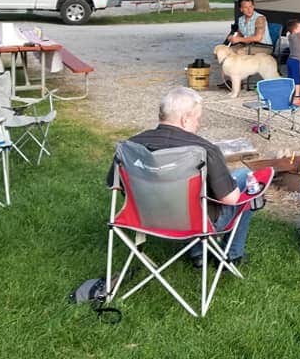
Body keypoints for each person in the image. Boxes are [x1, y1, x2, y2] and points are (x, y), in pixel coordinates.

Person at [107, 87, 257, 266]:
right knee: (244, 177)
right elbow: (231, 199)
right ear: (185, 119)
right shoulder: (203, 151)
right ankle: (232, 256)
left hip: (144, 218)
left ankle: (199, 254)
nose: (198, 124)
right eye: (197, 119)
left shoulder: (129, 147)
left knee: (202, 190)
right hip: (196, 224)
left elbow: (115, 184)